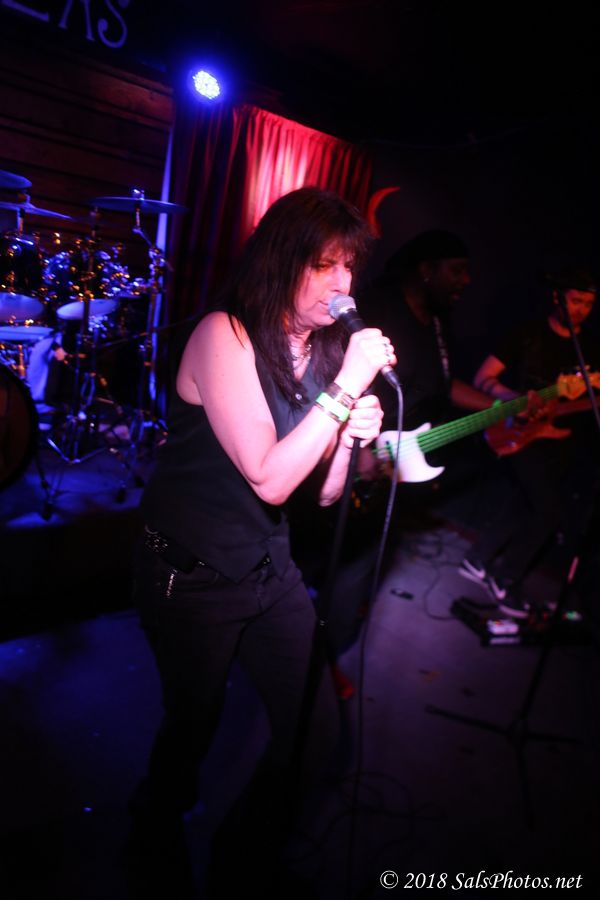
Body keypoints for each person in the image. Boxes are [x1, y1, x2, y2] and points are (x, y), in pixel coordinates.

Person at [126, 187, 394, 897]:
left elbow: (325, 493)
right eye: (324, 265)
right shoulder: (225, 335)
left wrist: (351, 438)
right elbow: (269, 477)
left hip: (269, 568)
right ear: (282, 259)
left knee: (318, 734)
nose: (342, 284)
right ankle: (152, 828)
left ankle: (240, 862)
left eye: (349, 267)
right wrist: (346, 389)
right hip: (190, 573)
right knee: (194, 724)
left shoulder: (324, 352)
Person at [458, 265, 600, 619]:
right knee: (550, 511)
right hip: (517, 432)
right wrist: (515, 398)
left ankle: (478, 559)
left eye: (588, 304)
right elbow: (483, 377)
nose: (581, 310)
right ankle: (505, 578)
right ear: (557, 297)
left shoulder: (590, 348)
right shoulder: (528, 334)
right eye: (576, 301)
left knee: (525, 505)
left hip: (559, 438)